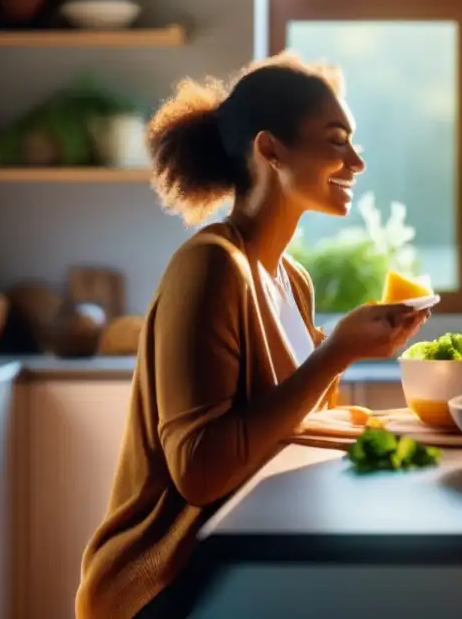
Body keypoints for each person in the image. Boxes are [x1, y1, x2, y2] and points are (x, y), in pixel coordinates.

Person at [75, 52, 431, 619]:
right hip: (174, 579)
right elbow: (200, 470)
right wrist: (335, 354)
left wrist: (405, 428)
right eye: (337, 141)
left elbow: (286, 432)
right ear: (270, 149)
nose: (357, 162)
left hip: (258, 557)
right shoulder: (210, 265)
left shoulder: (292, 280)